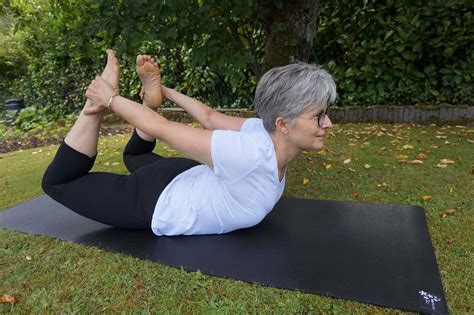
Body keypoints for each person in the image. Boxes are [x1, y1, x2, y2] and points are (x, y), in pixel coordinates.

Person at [42, 50, 336, 236]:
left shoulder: (262, 130)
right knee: (57, 182)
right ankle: (90, 110)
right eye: (319, 116)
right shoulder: (249, 155)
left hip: (181, 175)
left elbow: (208, 116)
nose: (328, 124)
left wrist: (164, 91)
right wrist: (107, 99)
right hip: (155, 201)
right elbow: (163, 129)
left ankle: (149, 101)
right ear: (283, 124)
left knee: (134, 156)